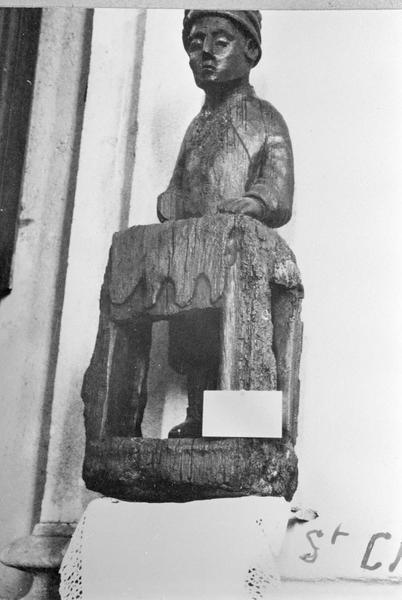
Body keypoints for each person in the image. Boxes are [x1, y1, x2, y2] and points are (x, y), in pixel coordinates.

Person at [157, 10, 295, 438]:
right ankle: (200, 415)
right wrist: (171, 201)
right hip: (196, 252)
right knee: (197, 334)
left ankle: (239, 427)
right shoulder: (197, 127)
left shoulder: (264, 118)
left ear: (250, 50)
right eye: (195, 43)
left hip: (238, 254)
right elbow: (180, 184)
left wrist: (255, 202)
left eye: (220, 42)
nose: (205, 53)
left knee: (238, 339)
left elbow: (277, 187)